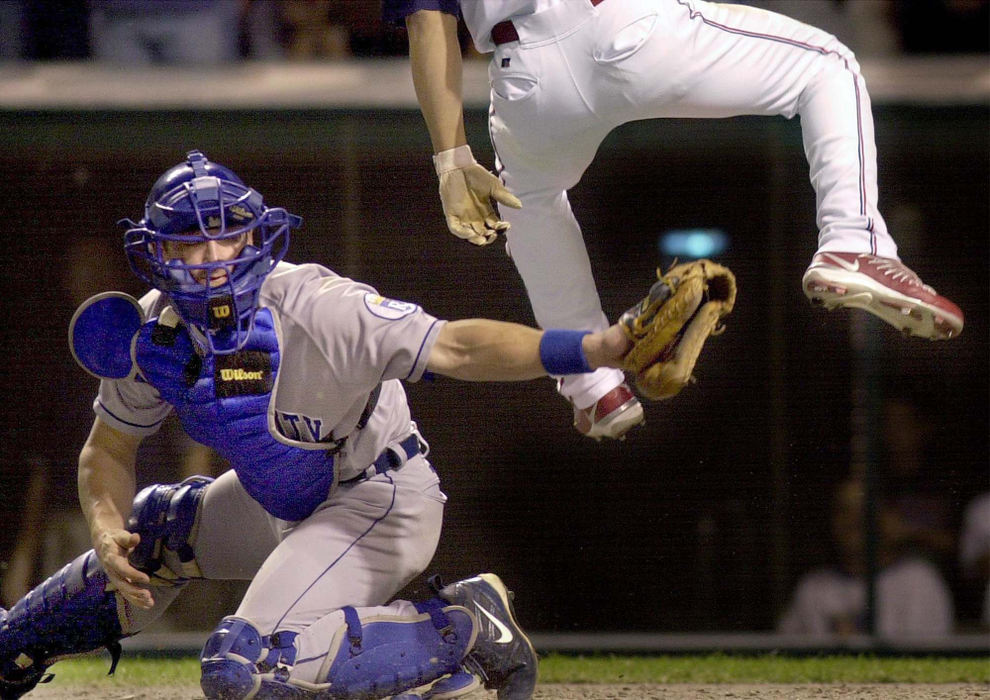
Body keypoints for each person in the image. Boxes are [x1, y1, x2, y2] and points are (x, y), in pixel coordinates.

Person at [0, 150, 639, 700]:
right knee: (152, 530)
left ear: (255, 238)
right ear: (156, 250)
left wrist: (593, 350)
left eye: (227, 235)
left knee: (242, 667)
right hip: (279, 499)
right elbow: (107, 448)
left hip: (377, 495)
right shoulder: (152, 328)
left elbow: (458, 348)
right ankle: (8, 652)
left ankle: (465, 625)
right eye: (189, 240)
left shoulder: (316, 305)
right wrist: (107, 529)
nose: (212, 256)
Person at [387, 0, 965, 442]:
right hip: (626, 27)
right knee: (829, 67)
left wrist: (452, 158)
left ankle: (595, 386)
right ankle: (852, 241)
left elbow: (427, 19)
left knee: (528, 196)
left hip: (524, 74)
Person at [777, 476, 954, 640]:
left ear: (886, 519)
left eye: (863, 512)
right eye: (844, 511)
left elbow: (927, 661)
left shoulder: (919, 580)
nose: (852, 521)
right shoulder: (814, 586)